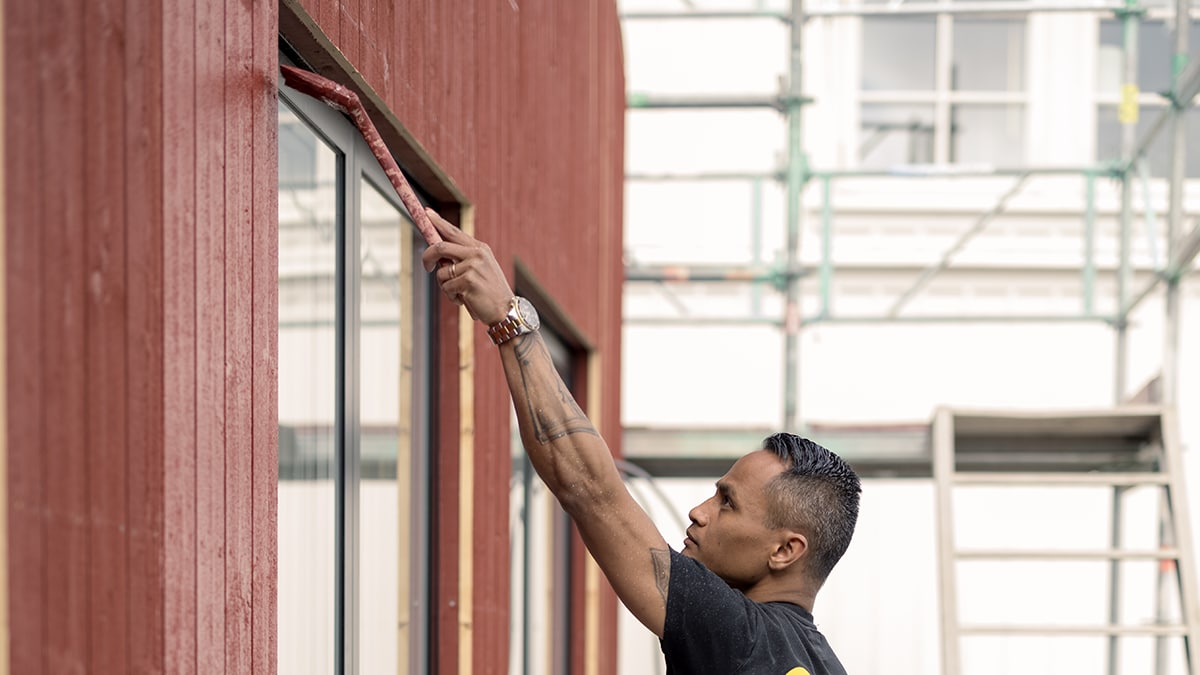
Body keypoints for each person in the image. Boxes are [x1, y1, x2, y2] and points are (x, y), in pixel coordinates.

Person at [421, 208, 861, 675]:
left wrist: (508, 319)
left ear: (785, 551)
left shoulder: (739, 636)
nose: (699, 511)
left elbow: (591, 491)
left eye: (727, 502)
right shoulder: (825, 666)